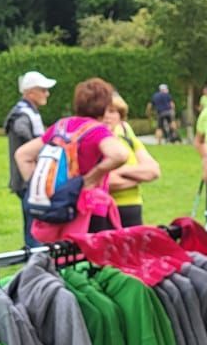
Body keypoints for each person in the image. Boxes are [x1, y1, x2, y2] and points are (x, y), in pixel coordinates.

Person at [14, 77, 130, 232]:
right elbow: (120, 155)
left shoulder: (61, 126)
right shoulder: (97, 130)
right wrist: (91, 178)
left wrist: (38, 187)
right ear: (105, 106)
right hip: (89, 210)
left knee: (59, 248)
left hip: (59, 206)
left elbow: (22, 155)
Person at [7, 70, 55, 246]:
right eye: (43, 90)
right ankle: (35, 256)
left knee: (34, 225)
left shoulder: (28, 112)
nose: (47, 94)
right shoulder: (22, 114)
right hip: (27, 178)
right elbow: (20, 129)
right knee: (34, 228)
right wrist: (34, 144)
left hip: (28, 177)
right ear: (30, 92)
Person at [101, 92, 161, 227]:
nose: (107, 116)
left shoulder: (126, 134)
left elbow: (154, 171)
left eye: (112, 111)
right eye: (102, 111)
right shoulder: (97, 141)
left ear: (120, 116)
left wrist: (120, 171)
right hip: (105, 210)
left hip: (133, 207)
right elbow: (107, 182)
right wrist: (138, 177)